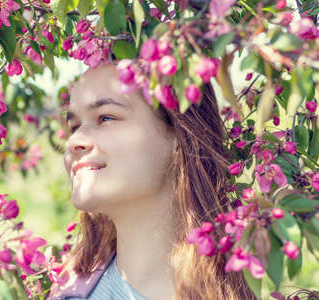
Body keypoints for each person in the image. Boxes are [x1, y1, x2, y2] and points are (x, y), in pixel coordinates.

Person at [47, 63, 256, 300]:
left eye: (105, 117)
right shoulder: (69, 290)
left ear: (179, 135)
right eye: (74, 126)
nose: (74, 141)